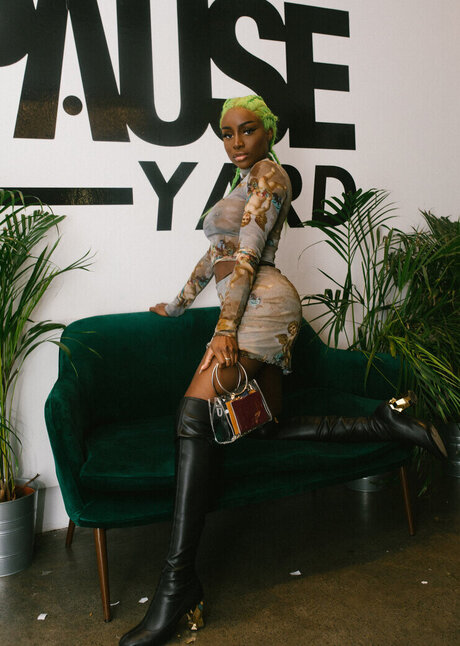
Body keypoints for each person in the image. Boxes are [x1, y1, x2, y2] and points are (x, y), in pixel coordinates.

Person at [119, 95, 447, 646]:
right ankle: (386, 422)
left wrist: (225, 329)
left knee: (194, 413)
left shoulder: (270, 175)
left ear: (269, 132)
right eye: (227, 133)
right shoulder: (242, 183)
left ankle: (177, 586)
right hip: (249, 307)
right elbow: (217, 256)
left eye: (247, 130)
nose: (236, 142)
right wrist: (175, 307)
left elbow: (247, 256)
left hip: (261, 308)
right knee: (264, 424)